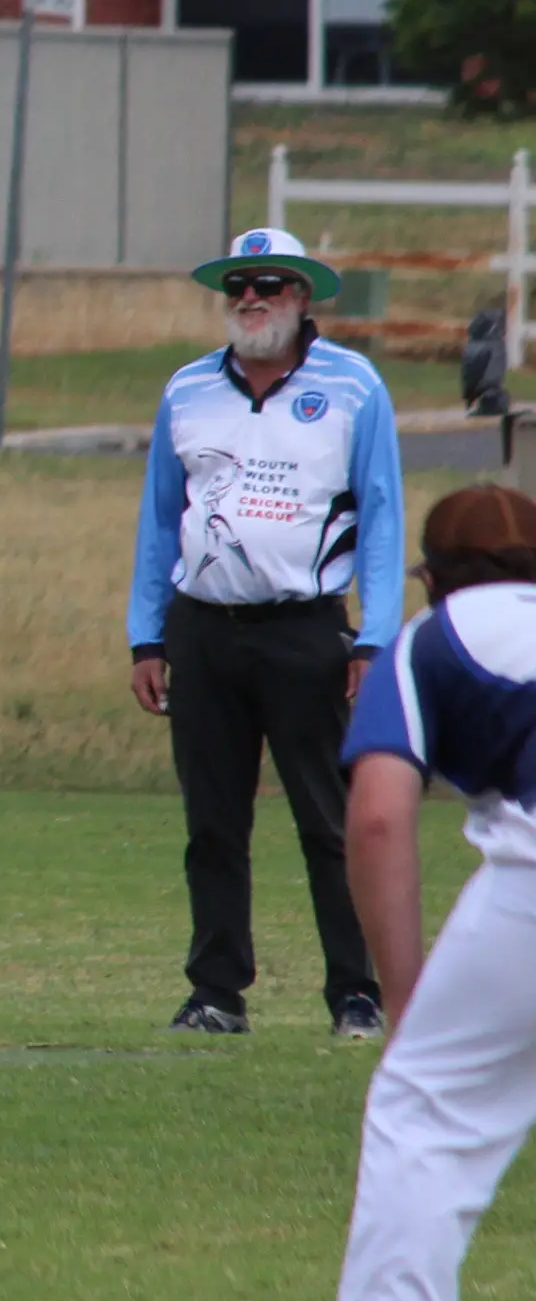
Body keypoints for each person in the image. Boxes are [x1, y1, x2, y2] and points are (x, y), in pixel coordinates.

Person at [261, 485, 536, 1301]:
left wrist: (403, 995)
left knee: (422, 1116)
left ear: (431, 574)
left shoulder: (435, 638)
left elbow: (377, 817)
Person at [128, 227, 403, 1039]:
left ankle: (355, 991)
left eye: (271, 284)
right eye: (239, 286)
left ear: (302, 297)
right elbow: (158, 519)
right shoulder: (187, 390)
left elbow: (383, 518)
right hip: (204, 629)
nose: (251, 298)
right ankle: (217, 992)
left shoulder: (353, 386)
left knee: (328, 820)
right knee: (212, 823)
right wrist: (148, 638)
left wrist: (374, 639)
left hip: (305, 631)